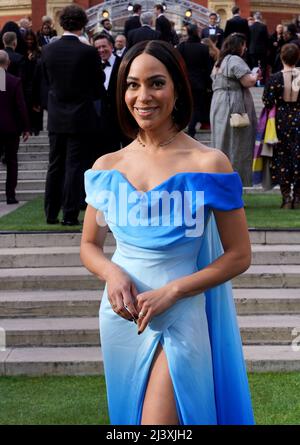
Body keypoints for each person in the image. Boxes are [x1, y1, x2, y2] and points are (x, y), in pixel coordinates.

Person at [80, 40, 254, 425]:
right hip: (122, 316)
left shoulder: (210, 163)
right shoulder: (107, 166)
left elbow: (239, 255)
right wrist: (112, 273)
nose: (143, 96)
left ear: (177, 88)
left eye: (156, 83)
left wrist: (175, 290)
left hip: (180, 312)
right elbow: (90, 246)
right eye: (132, 84)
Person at [41, 4, 105, 225]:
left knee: (55, 164)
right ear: (83, 24)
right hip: (80, 115)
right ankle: (69, 215)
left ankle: (50, 213)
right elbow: (99, 85)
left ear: (61, 23)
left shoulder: (48, 50)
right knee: (74, 166)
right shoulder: (88, 52)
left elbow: (44, 82)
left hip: (56, 116)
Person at [210, 33, 259, 186]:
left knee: (221, 145)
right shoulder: (235, 60)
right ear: (239, 46)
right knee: (237, 146)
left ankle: (221, 186)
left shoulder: (220, 61)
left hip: (218, 104)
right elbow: (248, 81)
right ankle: (234, 187)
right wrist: (256, 75)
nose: (245, 48)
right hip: (233, 105)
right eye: (243, 45)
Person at [262, 43, 300, 209]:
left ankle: (286, 197)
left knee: (282, 157)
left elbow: (267, 101)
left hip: (281, 120)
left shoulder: (275, 78)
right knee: (298, 156)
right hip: (299, 117)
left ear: (282, 57)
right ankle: (298, 198)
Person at [0, 50, 30, 204]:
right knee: (12, 161)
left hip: (7, 127)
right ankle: (10, 195)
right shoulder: (13, 81)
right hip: (10, 128)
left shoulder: (9, 80)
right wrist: (25, 127)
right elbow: (20, 106)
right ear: (9, 63)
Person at [93, 33, 127, 153]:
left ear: (112, 46)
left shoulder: (124, 64)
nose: (101, 50)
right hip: (103, 123)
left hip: (123, 119)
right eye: (97, 48)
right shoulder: (92, 67)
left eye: (104, 46)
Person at [177, 24, 212, 136]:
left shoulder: (182, 47)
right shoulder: (203, 48)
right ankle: (191, 130)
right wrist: (208, 85)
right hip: (199, 83)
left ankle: (182, 129)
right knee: (197, 107)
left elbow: (177, 65)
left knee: (184, 105)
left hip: (184, 82)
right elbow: (208, 68)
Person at [248, 12, 269, 84]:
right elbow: (266, 39)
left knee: (253, 66)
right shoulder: (263, 26)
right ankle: (261, 81)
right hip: (262, 50)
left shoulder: (250, 27)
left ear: (254, 18)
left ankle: (253, 81)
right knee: (262, 66)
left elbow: (248, 39)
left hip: (252, 50)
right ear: (261, 17)